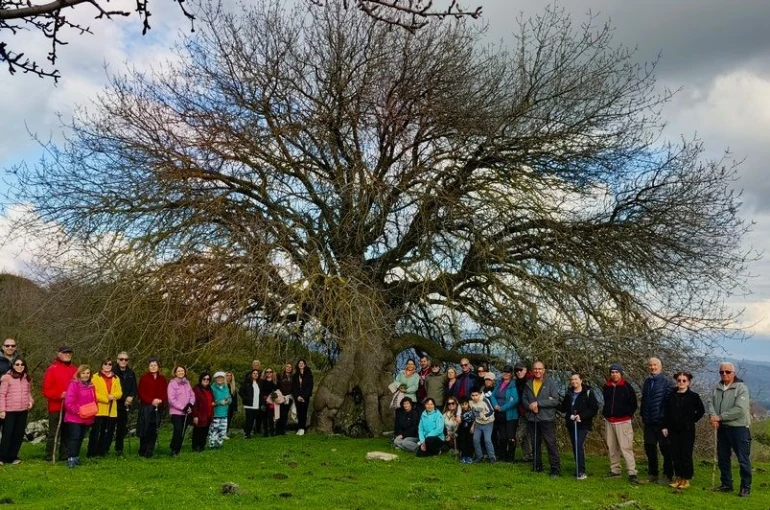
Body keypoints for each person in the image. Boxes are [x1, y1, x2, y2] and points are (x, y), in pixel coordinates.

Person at [708, 362, 752, 497]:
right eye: (722, 372)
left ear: (734, 373)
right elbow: (710, 403)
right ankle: (726, 484)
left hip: (739, 429)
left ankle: (745, 487)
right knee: (723, 458)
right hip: (723, 429)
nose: (724, 374)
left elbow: (739, 409)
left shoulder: (741, 388)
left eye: (727, 372)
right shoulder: (716, 388)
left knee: (743, 459)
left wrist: (720, 417)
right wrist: (713, 416)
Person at [661, 371, 705, 489]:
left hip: (687, 431)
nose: (681, 382)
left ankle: (686, 479)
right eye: (679, 380)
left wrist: (691, 421)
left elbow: (701, 411)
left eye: (684, 380)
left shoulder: (694, 396)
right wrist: (665, 426)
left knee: (685, 454)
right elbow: (666, 412)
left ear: (688, 382)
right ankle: (678, 477)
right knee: (675, 454)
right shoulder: (671, 395)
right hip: (673, 430)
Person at [522, 361, 564, 477]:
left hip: (546, 418)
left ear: (544, 370)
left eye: (540, 369)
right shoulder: (528, 383)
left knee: (550, 444)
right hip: (532, 418)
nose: (537, 371)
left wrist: (538, 403)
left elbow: (555, 400)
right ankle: (537, 465)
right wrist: (529, 406)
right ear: (532, 370)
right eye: (535, 369)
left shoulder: (550, 383)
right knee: (535, 443)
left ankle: (555, 469)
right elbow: (524, 398)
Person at [602, 363, 638, 484]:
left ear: (621, 373)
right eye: (612, 372)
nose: (614, 374)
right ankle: (615, 470)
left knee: (626, 447)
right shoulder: (606, 386)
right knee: (611, 447)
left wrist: (626, 414)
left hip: (623, 421)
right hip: (609, 421)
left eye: (616, 372)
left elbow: (634, 404)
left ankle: (632, 472)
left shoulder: (627, 387)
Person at [641, 357, 675, 484]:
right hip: (648, 422)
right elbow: (644, 400)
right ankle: (652, 473)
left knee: (665, 449)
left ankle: (667, 474)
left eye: (655, 365)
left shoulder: (667, 382)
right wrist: (643, 415)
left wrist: (665, 421)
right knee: (649, 448)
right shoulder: (647, 382)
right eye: (650, 365)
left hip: (661, 423)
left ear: (660, 367)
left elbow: (668, 404)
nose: (652, 367)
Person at [559, 372, 599, 480]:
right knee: (575, 446)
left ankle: (581, 471)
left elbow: (594, 408)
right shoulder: (569, 393)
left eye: (576, 379)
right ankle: (578, 469)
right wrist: (552, 401)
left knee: (578, 445)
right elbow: (563, 408)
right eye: (572, 380)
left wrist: (581, 415)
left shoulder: (588, 392)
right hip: (571, 424)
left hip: (583, 424)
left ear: (581, 380)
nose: (574, 381)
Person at [42, 345, 77, 462]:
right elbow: (46, 390)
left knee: (68, 432)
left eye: (69, 353)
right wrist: (59, 395)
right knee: (54, 433)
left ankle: (64, 455)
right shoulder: (52, 369)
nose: (67, 355)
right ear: (59, 354)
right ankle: (50, 455)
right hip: (56, 406)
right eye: (65, 353)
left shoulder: (75, 370)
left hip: (70, 407)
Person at [0, 357, 33, 465]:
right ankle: (2, 457)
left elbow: (28, 393)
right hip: (9, 410)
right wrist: (2, 410)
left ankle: (12, 456)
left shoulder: (26, 378)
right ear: (13, 365)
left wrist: (30, 401)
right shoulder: (7, 378)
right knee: (7, 434)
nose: (20, 366)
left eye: (22, 364)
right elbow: (2, 395)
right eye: (17, 364)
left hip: (23, 410)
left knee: (18, 434)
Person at [88, 358, 123, 457]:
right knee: (95, 432)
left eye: (110, 364)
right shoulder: (95, 377)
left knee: (106, 432)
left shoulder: (116, 378)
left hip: (111, 410)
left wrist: (114, 396)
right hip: (98, 409)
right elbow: (93, 392)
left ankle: (102, 451)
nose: (107, 366)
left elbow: (120, 392)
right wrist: (106, 398)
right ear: (101, 365)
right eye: (105, 364)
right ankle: (91, 453)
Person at [63, 365, 97, 468]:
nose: (86, 375)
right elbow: (69, 402)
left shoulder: (91, 385)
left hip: (87, 416)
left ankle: (76, 457)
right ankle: (71, 458)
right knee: (75, 437)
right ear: (79, 374)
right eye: (83, 373)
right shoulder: (74, 385)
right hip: (75, 417)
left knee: (81, 437)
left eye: (87, 373)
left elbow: (93, 400)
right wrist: (78, 410)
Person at [136, 358, 168, 458]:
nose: (153, 367)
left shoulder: (162, 379)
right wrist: (151, 401)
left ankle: (150, 451)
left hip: (158, 406)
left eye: (155, 365)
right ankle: (142, 449)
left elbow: (165, 393)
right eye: (151, 365)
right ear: (148, 367)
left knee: (153, 429)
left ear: (158, 367)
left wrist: (160, 400)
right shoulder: (144, 378)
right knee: (145, 428)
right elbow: (141, 393)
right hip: (146, 406)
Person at [490, 365, 520, 462]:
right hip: (499, 413)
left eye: (508, 372)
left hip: (511, 415)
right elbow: (492, 396)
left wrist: (502, 408)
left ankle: (511, 457)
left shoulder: (514, 384)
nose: (505, 374)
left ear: (511, 374)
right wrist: (495, 405)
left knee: (510, 437)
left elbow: (515, 400)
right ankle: (503, 456)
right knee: (502, 437)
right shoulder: (498, 383)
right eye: (504, 372)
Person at [167, 365, 195, 456]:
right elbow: (171, 399)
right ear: (175, 373)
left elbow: (192, 395)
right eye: (178, 371)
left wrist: (190, 404)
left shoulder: (187, 383)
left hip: (186, 412)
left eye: (182, 371)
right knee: (178, 430)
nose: (180, 372)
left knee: (183, 430)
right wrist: (183, 407)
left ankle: (178, 449)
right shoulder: (172, 384)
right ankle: (173, 449)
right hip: (176, 412)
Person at [113, 351, 137, 455]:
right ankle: (103, 449)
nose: (123, 361)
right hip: (114, 403)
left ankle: (119, 449)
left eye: (126, 359)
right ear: (117, 360)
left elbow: (134, 387)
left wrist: (131, 397)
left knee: (122, 428)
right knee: (109, 428)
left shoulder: (131, 373)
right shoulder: (113, 372)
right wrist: (124, 398)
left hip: (125, 404)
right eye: (121, 359)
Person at [470, 387, 496, 463]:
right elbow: (474, 414)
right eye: (472, 395)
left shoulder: (485, 400)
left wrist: (485, 416)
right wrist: (473, 425)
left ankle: (492, 457)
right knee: (475, 439)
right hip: (478, 423)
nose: (474, 397)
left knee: (487, 440)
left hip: (488, 423)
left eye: (476, 395)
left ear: (480, 394)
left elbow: (492, 411)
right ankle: (479, 456)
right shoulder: (471, 402)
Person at [513, 361, 533, 462]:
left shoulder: (531, 380)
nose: (518, 372)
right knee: (524, 435)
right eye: (516, 370)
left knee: (525, 435)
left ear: (526, 370)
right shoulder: (517, 382)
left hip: (533, 411)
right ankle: (528, 456)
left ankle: (533, 456)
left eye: (521, 370)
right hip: (523, 412)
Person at [191, 373, 214, 452]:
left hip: (208, 413)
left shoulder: (210, 389)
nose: (206, 380)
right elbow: (194, 404)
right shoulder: (196, 389)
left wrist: (213, 403)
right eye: (204, 379)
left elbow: (211, 399)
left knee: (205, 430)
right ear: (201, 379)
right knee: (198, 431)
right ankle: (195, 446)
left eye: (208, 379)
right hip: (199, 414)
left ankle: (202, 446)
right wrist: (195, 416)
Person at [209, 371, 231, 448]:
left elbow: (229, 398)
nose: (220, 379)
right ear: (215, 379)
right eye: (218, 377)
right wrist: (219, 402)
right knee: (214, 430)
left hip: (224, 412)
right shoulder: (212, 388)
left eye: (221, 377)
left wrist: (228, 401)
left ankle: (219, 444)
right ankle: (211, 444)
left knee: (222, 430)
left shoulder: (226, 388)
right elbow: (210, 401)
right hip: (216, 413)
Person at [292, 359, 313, 435]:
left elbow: (309, 387)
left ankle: (302, 428)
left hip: (305, 397)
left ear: (305, 365)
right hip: (297, 397)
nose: (301, 364)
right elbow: (294, 388)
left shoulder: (309, 375)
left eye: (302, 363)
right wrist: (297, 396)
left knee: (304, 412)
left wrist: (304, 397)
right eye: (299, 363)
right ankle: (299, 427)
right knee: (299, 412)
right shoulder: (295, 376)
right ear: (298, 365)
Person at [240, 369, 261, 439]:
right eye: (254, 373)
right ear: (251, 374)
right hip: (249, 405)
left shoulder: (259, 383)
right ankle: (247, 434)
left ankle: (250, 432)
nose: (255, 374)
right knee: (249, 419)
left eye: (257, 373)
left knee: (253, 420)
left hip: (256, 405)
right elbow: (241, 391)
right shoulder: (247, 382)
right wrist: (245, 398)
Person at [275, 363, 294, 435]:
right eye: (287, 366)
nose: (288, 368)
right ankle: (277, 430)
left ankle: (283, 430)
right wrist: (279, 395)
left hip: (289, 398)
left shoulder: (293, 377)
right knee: (280, 414)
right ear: (285, 367)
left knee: (285, 414)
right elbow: (277, 386)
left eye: (290, 367)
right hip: (281, 397)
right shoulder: (280, 376)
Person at [259, 367, 278, 437]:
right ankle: (266, 432)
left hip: (272, 401)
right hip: (264, 401)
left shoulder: (275, 381)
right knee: (264, 417)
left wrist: (272, 399)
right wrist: (263, 402)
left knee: (271, 417)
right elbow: (261, 392)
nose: (269, 373)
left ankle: (272, 432)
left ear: (272, 373)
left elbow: (277, 391)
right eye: (267, 372)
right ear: (265, 373)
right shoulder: (262, 381)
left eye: (270, 372)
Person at [457, 398, 475, 463]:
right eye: (462, 404)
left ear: (468, 404)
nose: (464, 406)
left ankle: (469, 456)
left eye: (466, 404)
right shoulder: (459, 412)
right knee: (463, 440)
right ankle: (463, 456)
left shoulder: (472, 410)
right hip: (463, 426)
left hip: (470, 426)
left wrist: (473, 427)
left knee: (470, 440)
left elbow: (475, 419)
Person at [225, 371, 238, 438]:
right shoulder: (223, 386)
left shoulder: (232, 387)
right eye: (227, 375)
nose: (229, 377)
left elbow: (235, 398)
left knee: (229, 419)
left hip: (231, 406)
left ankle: (226, 432)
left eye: (230, 375)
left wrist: (235, 408)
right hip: (224, 406)